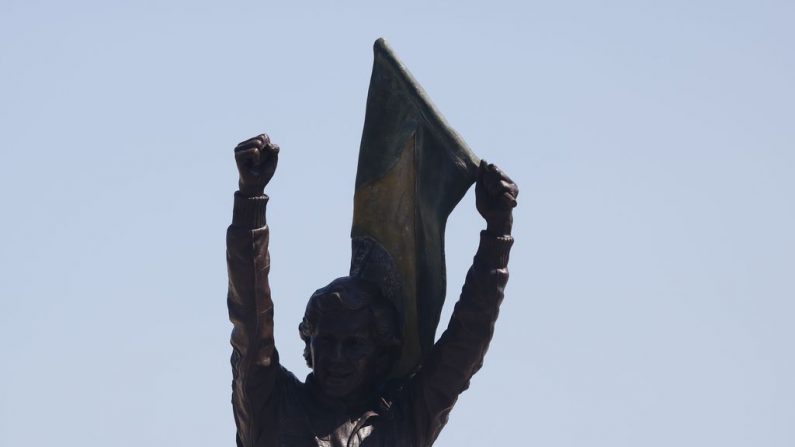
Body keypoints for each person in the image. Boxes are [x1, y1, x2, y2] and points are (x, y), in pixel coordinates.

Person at [227, 133, 518, 447]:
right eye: (326, 340)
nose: (337, 357)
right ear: (309, 342)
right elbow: (251, 318)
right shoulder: (272, 406)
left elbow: (464, 345)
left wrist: (497, 235)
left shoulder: (403, 422)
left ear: (382, 355)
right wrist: (250, 200)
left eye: (353, 344)